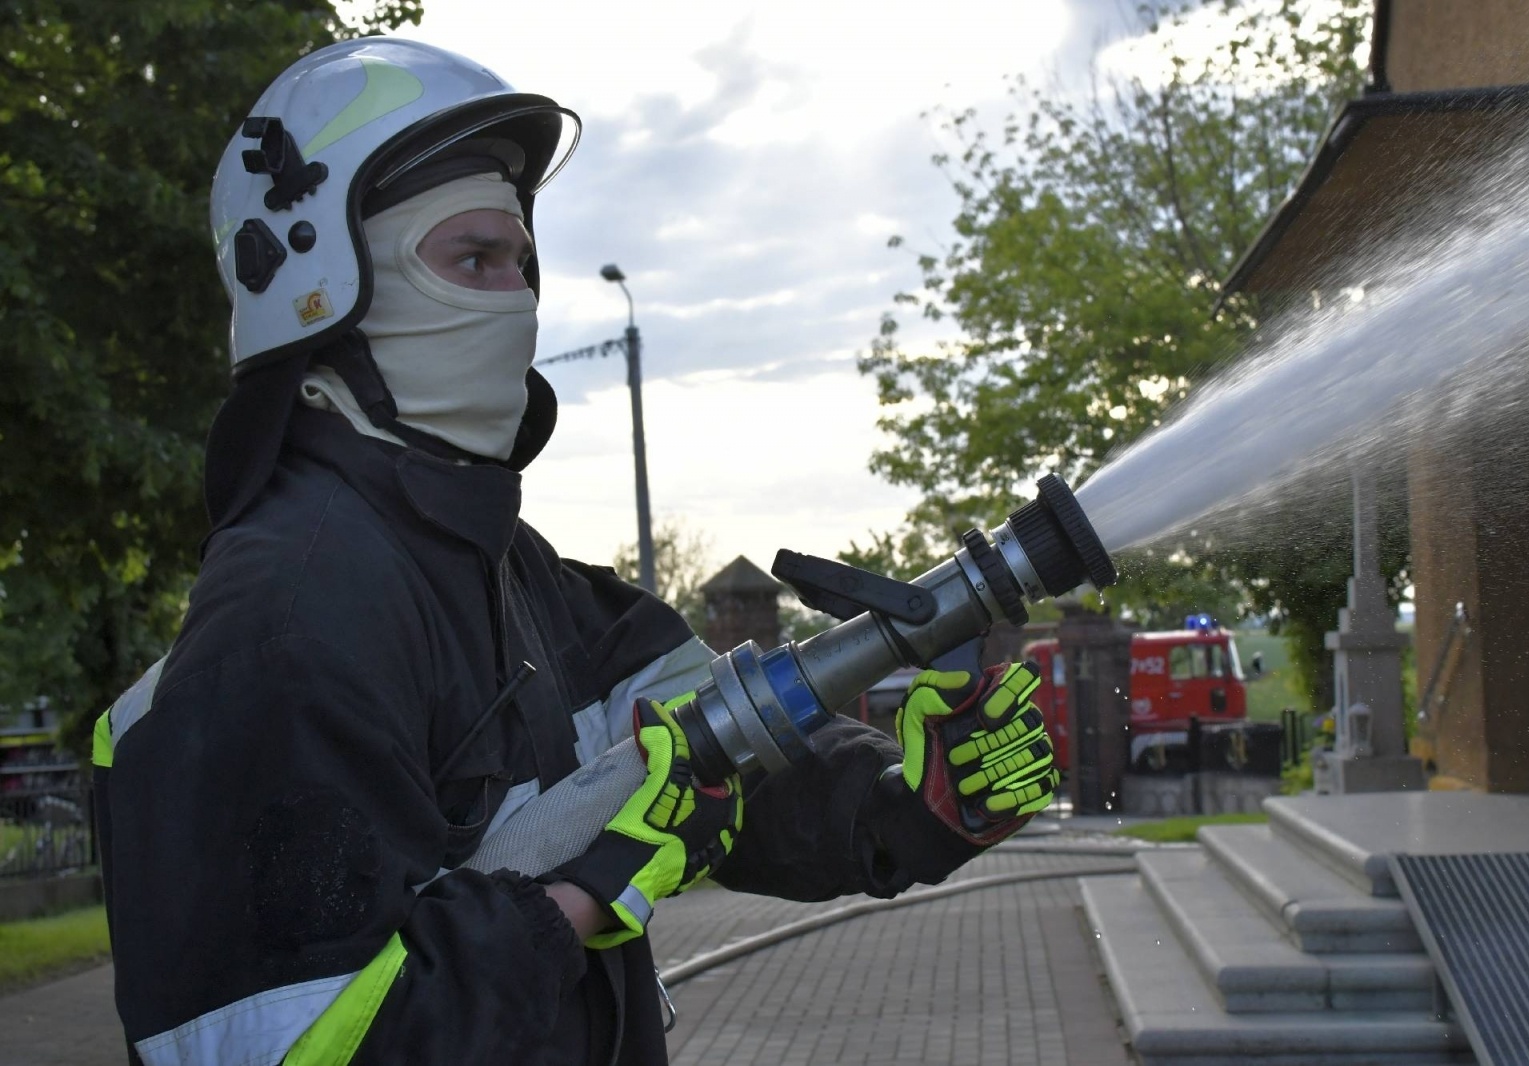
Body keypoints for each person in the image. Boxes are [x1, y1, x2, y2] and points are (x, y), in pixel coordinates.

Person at [91, 37, 1060, 1066]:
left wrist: (910, 799)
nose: (517, 298)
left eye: (521, 261)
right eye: (472, 259)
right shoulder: (288, 611)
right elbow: (289, 1044)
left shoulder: (511, 567)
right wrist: (578, 893)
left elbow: (712, 748)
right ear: (320, 282)